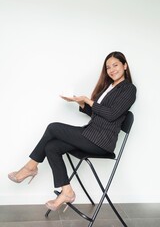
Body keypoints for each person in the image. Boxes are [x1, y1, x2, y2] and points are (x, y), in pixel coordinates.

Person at [8, 51, 136, 211]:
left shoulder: (129, 89)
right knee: (52, 147)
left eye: (115, 65)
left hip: (102, 142)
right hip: (91, 135)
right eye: (108, 67)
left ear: (124, 66)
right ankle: (67, 191)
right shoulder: (108, 88)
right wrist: (81, 104)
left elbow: (111, 115)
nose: (112, 70)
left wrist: (88, 100)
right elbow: (97, 115)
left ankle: (30, 167)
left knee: (53, 127)